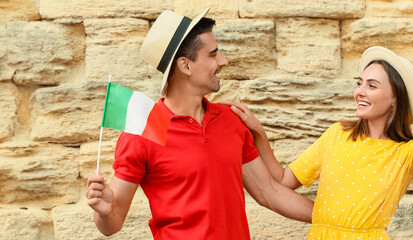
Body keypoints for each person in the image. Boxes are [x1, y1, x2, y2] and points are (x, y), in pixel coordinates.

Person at [85, 8, 313, 239]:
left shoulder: (232, 120)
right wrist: (104, 212)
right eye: (213, 55)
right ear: (185, 65)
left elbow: (270, 193)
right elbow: (111, 225)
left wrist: (337, 217)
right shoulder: (142, 133)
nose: (223, 61)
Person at [221, 46, 413, 239]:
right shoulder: (338, 134)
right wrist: (259, 133)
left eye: (372, 86)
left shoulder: (406, 154)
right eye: (359, 83)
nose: (360, 92)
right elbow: (283, 180)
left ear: (395, 98)